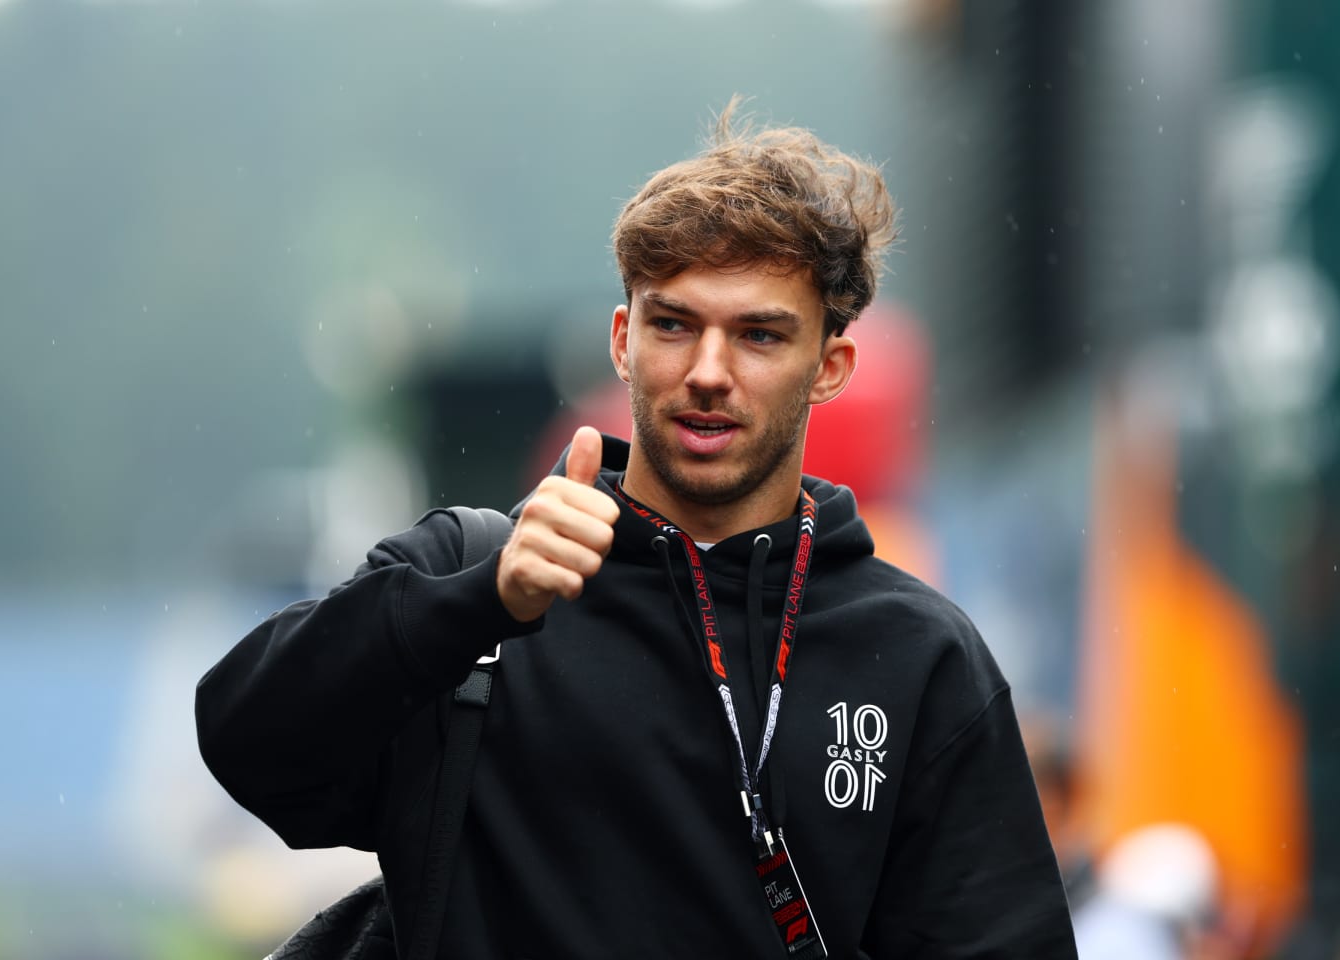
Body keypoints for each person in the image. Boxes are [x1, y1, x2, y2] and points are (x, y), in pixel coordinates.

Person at [196, 101, 1077, 959]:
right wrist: (480, 603)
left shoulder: (918, 655)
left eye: (760, 336)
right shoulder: (469, 579)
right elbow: (247, 743)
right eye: (673, 324)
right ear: (623, 340)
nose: (707, 372)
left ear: (829, 366)